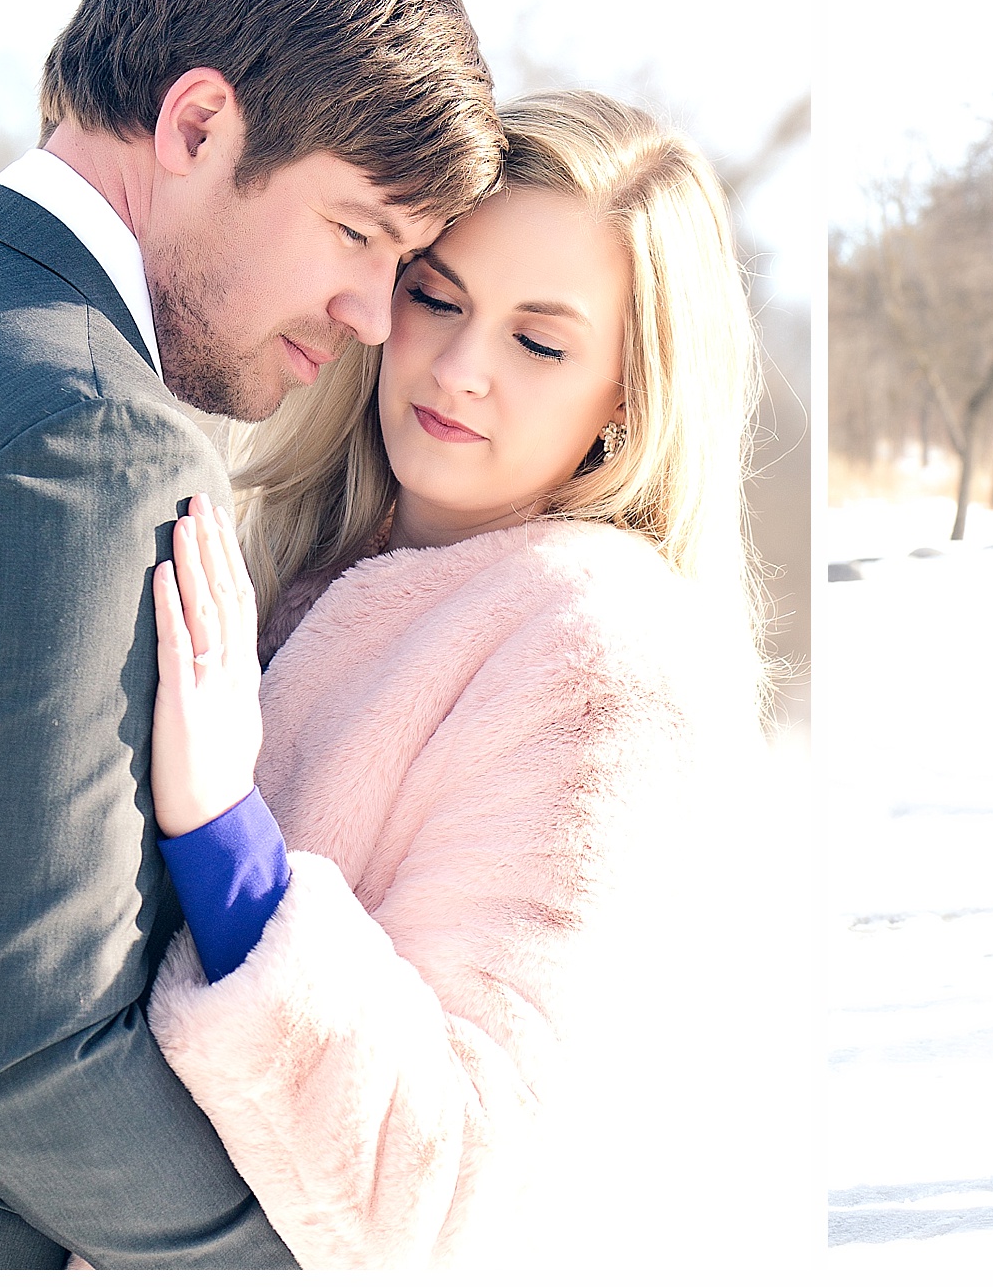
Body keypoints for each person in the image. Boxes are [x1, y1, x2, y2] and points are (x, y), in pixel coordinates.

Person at [137, 90, 777, 1269]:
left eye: (539, 342)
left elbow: (448, 1187)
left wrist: (225, 835)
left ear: (628, 399)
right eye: (437, 295)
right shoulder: (294, 563)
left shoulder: (602, 659)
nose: (461, 366)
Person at [0, 0, 505, 1269]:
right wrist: (305, 1257)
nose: (371, 317)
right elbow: (18, 1055)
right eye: (360, 232)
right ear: (197, 127)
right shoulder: (91, 436)